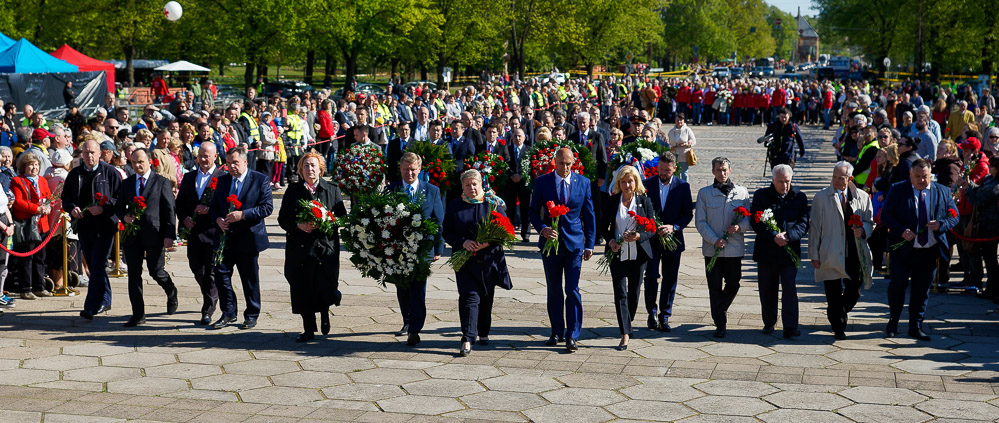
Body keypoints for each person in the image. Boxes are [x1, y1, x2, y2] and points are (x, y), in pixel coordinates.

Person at [881, 159, 959, 341]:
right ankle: (893, 322)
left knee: (921, 290)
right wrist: (901, 230)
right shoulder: (898, 189)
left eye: (925, 177)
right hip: (904, 250)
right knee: (897, 285)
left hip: (929, 250)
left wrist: (941, 224)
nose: (921, 180)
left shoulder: (942, 191)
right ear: (910, 175)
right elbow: (886, 215)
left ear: (930, 174)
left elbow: (953, 215)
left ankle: (915, 326)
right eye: (917, 177)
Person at [529, 148, 596, 352]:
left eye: (569, 164)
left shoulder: (582, 182)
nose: (565, 168)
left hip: (574, 244)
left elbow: (589, 213)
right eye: (561, 164)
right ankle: (556, 331)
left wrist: (589, 244)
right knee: (554, 290)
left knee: (572, 290)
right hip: (551, 245)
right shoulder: (543, 182)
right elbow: (532, 212)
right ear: (554, 163)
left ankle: (573, 335)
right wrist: (542, 229)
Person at [277, 152, 346, 342]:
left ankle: (324, 311)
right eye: (306, 166)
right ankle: (308, 328)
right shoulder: (293, 190)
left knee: (325, 286)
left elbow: (342, 217)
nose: (310, 169)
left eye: (313, 166)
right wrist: (298, 226)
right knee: (302, 288)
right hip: (300, 249)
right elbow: (283, 218)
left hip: (325, 249)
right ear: (301, 170)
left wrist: (326, 221)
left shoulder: (331, 189)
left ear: (320, 168)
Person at [443, 169, 512, 356]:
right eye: (467, 185)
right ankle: (467, 337)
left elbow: (506, 231)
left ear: (481, 185)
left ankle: (483, 332)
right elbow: (447, 231)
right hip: (464, 261)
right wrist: (462, 242)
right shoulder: (455, 205)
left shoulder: (493, 204)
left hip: (488, 260)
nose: (471, 188)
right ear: (462, 187)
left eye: (475, 184)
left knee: (486, 297)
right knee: (469, 297)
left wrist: (487, 242)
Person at [210, 146, 274, 330]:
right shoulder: (222, 181)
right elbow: (214, 206)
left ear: (245, 162)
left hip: (248, 238)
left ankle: (252, 314)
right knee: (221, 275)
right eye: (228, 163)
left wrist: (243, 214)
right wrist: (218, 219)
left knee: (249, 278)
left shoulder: (259, 179)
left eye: (235, 163)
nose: (231, 167)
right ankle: (228, 312)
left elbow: (266, 208)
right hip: (225, 238)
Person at [384, 152, 445, 345]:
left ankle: (415, 329)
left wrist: (438, 247)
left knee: (419, 288)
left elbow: (438, 220)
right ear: (400, 169)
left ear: (419, 170)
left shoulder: (432, 190)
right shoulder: (391, 189)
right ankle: (407, 320)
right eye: (405, 169)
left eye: (413, 169)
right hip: (399, 249)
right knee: (402, 287)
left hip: (423, 249)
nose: (409, 173)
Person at [810, 161, 874, 340]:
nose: (837, 181)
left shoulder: (862, 196)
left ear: (850, 178)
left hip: (855, 252)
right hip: (830, 250)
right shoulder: (821, 197)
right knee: (832, 292)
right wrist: (813, 254)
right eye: (834, 177)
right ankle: (838, 326)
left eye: (841, 178)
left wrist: (863, 231)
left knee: (854, 290)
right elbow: (815, 228)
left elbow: (870, 222)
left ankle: (840, 311)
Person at [115, 149, 178, 327]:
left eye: (141, 162)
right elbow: (119, 206)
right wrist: (124, 217)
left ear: (149, 161)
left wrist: (169, 235)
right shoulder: (127, 183)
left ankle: (171, 291)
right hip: (132, 236)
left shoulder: (161, 182)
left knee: (156, 271)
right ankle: (138, 314)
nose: (137, 165)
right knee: (133, 275)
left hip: (154, 234)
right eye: (134, 162)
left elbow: (169, 210)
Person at [599, 166, 655, 350]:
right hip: (618, 253)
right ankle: (624, 333)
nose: (626, 185)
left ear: (636, 182)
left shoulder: (644, 201)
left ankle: (627, 323)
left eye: (630, 181)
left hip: (639, 255)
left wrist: (639, 236)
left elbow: (651, 228)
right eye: (623, 181)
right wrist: (611, 241)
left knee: (634, 293)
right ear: (618, 183)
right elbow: (603, 227)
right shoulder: (612, 201)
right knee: (620, 292)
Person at [64, 139, 122, 319]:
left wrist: (104, 208)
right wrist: (72, 208)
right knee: (94, 264)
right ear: (81, 154)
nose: (89, 156)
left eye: (93, 152)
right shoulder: (75, 174)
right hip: (84, 226)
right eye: (86, 152)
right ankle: (105, 298)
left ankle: (91, 305)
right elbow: (65, 198)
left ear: (100, 154)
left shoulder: (110, 173)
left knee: (97, 264)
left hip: (105, 226)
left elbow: (120, 198)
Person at [749, 164, 809, 338]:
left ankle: (790, 326)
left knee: (789, 289)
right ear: (773, 180)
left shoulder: (799, 197)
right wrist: (774, 235)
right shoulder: (761, 196)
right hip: (767, 251)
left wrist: (789, 236)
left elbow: (804, 223)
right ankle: (769, 322)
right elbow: (756, 220)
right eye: (780, 182)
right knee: (767, 289)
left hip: (789, 251)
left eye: (787, 181)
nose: (784, 185)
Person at [694, 157, 750, 338]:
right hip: (713, 250)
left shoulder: (742, 193)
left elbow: (750, 219)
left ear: (730, 170)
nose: (722, 173)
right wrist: (714, 240)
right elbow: (700, 222)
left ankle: (719, 309)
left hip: (734, 249)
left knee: (733, 284)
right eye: (718, 170)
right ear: (713, 172)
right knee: (714, 287)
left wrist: (739, 227)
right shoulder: (704, 193)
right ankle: (720, 323)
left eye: (725, 169)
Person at [641, 151, 692, 332]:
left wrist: (674, 227)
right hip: (652, 240)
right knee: (652, 276)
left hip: (673, 240)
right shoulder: (647, 185)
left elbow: (687, 213)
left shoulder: (683, 187)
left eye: (667, 170)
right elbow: (642, 212)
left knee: (670, 278)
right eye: (661, 169)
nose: (663, 173)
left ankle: (665, 315)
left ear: (674, 169)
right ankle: (651, 313)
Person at [177, 142, 223, 325]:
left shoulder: (222, 177)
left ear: (215, 156)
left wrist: (209, 209)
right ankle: (212, 291)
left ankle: (208, 309)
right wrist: (184, 218)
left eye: (207, 156)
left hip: (213, 232)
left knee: (211, 271)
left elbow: (225, 205)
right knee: (197, 269)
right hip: (194, 233)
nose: (204, 159)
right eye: (201, 156)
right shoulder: (189, 178)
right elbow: (180, 204)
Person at [10, 153, 54, 299]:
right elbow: (18, 202)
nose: (34, 167)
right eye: (30, 165)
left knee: (40, 258)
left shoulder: (42, 180)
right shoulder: (17, 181)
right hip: (27, 225)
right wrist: (37, 209)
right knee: (26, 258)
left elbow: (49, 197)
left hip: (42, 224)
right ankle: (25, 288)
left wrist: (49, 207)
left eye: (36, 165)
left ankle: (39, 286)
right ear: (24, 167)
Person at [959, 159, 999, 302]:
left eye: (993, 166)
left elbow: (979, 201)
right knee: (985, 257)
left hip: (992, 225)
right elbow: (979, 189)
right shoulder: (989, 179)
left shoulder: (997, 186)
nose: (990, 168)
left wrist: (966, 188)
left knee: (991, 259)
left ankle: (993, 288)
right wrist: (969, 183)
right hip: (981, 223)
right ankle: (989, 287)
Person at [501, 128, 532, 242]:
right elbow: (504, 165)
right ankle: (509, 232)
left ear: (524, 137)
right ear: (512, 137)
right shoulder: (507, 150)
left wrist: (521, 176)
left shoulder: (529, 150)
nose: (518, 138)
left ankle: (526, 233)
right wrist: (512, 175)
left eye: (520, 136)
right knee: (510, 209)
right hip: (510, 183)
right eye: (515, 136)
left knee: (526, 208)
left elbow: (531, 166)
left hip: (524, 184)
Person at [666, 113, 696, 182]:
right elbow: (667, 142)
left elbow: (693, 141)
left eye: (681, 120)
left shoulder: (687, 130)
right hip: (674, 155)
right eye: (677, 120)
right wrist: (670, 147)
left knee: (684, 173)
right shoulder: (671, 131)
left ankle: (685, 187)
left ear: (683, 120)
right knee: (676, 173)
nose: (679, 122)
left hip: (684, 155)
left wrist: (686, 144)